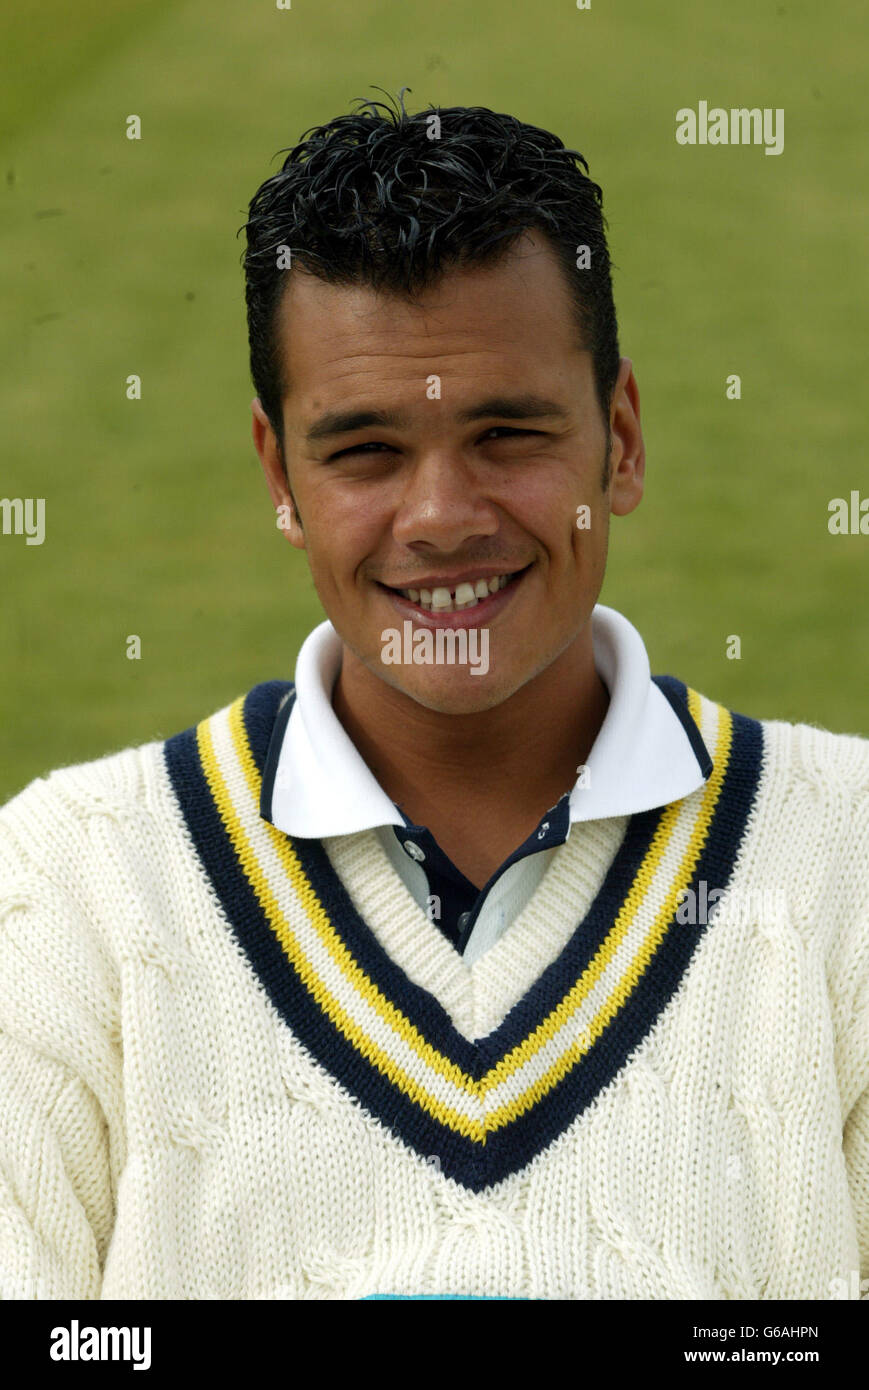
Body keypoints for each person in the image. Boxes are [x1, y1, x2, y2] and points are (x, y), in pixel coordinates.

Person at [1, 90, 867, 1302]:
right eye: (363, 452)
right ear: (280, 475)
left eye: (508, 434)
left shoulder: (845, 855)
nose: (442, 518)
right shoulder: (62, 886)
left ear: (618, 439)